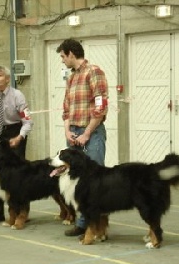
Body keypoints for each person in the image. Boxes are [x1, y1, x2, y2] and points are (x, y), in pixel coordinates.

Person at [56, 38, 108, 237]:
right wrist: (67, 131)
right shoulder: (71, 78)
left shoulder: (94, 72)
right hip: (74, 133)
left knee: (95, 182)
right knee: (76, 181)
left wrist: (87, 133)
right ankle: (82, 222)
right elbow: (66, 108)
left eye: (62, 56)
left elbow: (100, 107)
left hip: (92, 134)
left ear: (71, 53)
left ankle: (98, 227)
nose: (62, 60)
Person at [0, 65, 33, 225]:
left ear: (8, 78)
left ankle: (22, 212)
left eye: (0, 75)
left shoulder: (18, 96)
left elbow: (28, 120)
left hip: (15, 132)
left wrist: (20, 137)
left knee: (19, 176)